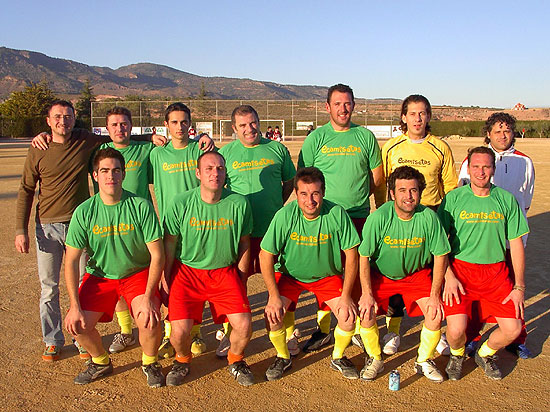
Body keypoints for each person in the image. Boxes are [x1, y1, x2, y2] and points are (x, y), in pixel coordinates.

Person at [14, 100, 157, 361]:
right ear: (48, 121)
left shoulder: (87, 141)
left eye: (67, 117)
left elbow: (124, 135)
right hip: (51, 225)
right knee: (49, 287)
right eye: (57, 117)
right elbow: (26, 189)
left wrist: (153, 136)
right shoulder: (45, 148)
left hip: (104, 224)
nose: (63, 121)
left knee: (98, 279)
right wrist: (19, 229)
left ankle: (88, 337)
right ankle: (53, 339)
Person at [64, 148, 165, 387]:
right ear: (95, 175)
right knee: (76, 325)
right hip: (100, 277)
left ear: (124, 174)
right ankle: (100, 362)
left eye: (117, 170)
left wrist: (150, 296)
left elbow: (157, 254)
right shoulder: (84, 211)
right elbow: (70, 261)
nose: (111, 176)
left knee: (149, 319)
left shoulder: (140, 206)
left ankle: (150, 362)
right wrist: (73, 306)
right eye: (105, 171)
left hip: (136, 273)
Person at [298, 83, 383, 351]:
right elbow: (305, 179)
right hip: (324, 218)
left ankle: (355, 325)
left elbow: (377, 177)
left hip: (358, 216)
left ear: (354, 106)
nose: (343, 109)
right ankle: (324, 328)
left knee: (356, 271)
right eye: (337, 104)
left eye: (347, 103)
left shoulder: (365, 136)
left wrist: (356, 196)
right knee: (326, 272)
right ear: (327, 107)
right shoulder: (316, 138)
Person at [162, 151, 255, 387]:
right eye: (209, 169)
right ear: (198, 174)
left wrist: (241, 278)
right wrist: (166, 279)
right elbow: (170, 243)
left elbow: (245, 242)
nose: (216, 173)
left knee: (244, 325)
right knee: (179, 331)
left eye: (220, 169)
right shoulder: (180, 203)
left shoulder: (239, 203)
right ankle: (182, 360)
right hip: (188, 272)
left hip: (224, 273)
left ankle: (235, 360)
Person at [374, 94, 457, 356]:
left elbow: (451, 188)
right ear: (403, 117)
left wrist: (444, 221)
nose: (417, 118)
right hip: (396, 216)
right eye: (412, 113)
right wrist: (382, 211)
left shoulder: (440, 147)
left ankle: (436, 330)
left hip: (429, 215)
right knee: (397, 272)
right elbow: (381, 183)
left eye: (422, 113)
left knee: (432, 276)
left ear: (429, 117)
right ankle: (393, 331)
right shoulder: (391, 147)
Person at [260, 167, 360, 380]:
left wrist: (346, 295)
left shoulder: (336, 213)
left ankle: (338, 356)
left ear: (323, 192)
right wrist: (273, 295)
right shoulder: (285, 216)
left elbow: (352, 254)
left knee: (348, 317)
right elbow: (265, 255)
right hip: (290, 277)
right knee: (272, 315)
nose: (310, 200)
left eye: (315, 193)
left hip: (327, 278)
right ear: (296, 194)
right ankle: (283, 356)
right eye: (304, 194)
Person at [438, 147, 528, 380]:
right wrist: (448, 276)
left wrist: (519, 286)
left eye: (486, 166)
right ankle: (457, 355)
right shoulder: (454, 199)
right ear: (468, 169)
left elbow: (516, 244)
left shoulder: (506, 200)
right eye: (476, 166)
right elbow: (439, 244)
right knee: (456, 331)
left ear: (493, 169)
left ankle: (485, 353)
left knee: (513, 329)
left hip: (496, 274)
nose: (481, 172)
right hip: (461, 272)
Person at [357, 166, 449, 382]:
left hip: (416, 276)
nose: (408, 196)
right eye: (402, 190)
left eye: (414, 190)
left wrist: (435, 295)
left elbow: (440, 256)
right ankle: (374, 357)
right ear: (392, 193)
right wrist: (366, 293)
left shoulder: (429, 217)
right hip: (381, 275)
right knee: (366, 311)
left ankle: (424, 360)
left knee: (435, 313)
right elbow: (364, 257)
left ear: (420, 192)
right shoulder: (378, 218)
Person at [217, 105, 296, 356]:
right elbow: (219, 189)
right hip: (239, 233)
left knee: (284, 281)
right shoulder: (226, 153)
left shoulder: (277, 149)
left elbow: (289, 182)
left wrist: (275, 206)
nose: (249, 129)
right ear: (234, 128)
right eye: (243, 125)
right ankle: (230, 333)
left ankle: (289, 331)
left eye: (253, 123)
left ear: (259, 122)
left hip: (272, 231)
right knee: (235, 283)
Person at [457, 112, 535, 359]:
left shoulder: (525, 161)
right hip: (482, 235)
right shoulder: (472, 160)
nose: (503, 135)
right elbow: (464, 196)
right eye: (498, 131)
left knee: (513, 290)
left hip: (510, 235)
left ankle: (516, 339)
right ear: (488, 133)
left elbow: (526, 199)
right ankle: (474, 337)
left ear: (514, 133)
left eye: (508, 131)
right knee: (477, 293)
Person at [150, 102, 214, 357]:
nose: (180, 127)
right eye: (174, 122)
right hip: (169, 229)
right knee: (169, 281)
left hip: (197, 227)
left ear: (191, 124)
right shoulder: (156, 154)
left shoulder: (199, 150)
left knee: (195, 278)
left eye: (184, 122)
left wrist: (205, 138)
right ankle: (169, 333)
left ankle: (196, 332)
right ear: (165, 125)